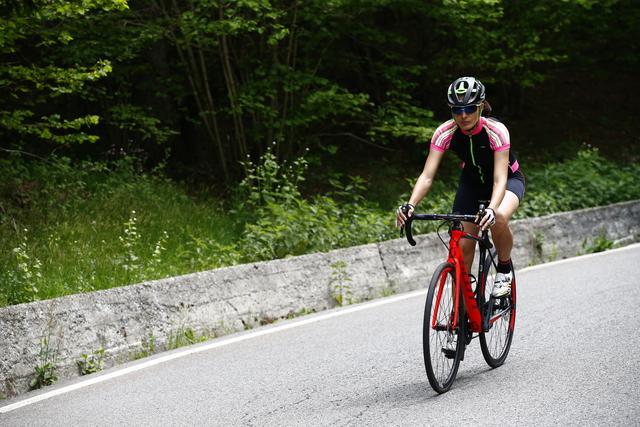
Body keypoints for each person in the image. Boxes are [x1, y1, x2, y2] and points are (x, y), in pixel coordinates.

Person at [395, 76, 525, 297]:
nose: (463, 115)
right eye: (457, 110)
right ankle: (465, 299)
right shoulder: (444, 132)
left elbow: (499, 179)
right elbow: (427, 176)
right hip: (472, 184)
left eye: (469, 109)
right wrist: (410, 204)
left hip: (507, 180)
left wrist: (492, 209)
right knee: (462, 245)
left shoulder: (496, 131)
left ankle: (504, 270)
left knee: (500, 216)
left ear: (481, 106)